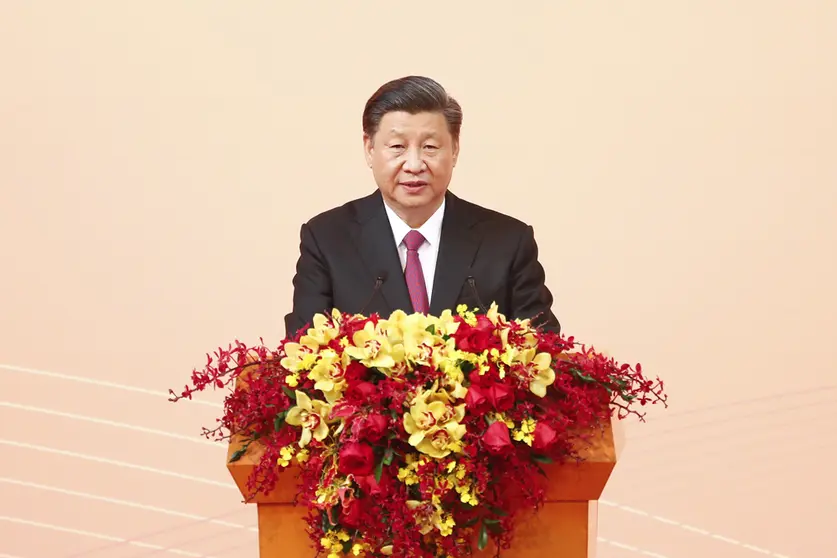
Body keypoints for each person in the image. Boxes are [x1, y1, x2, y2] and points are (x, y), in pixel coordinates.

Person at [283, 76, 560, 339]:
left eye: (430, 147)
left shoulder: (507, 241)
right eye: (397, 146)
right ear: (369, 149)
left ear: (454, 149)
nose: (414, 165)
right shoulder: (328, 239)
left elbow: (544, 351)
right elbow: (303, 351)